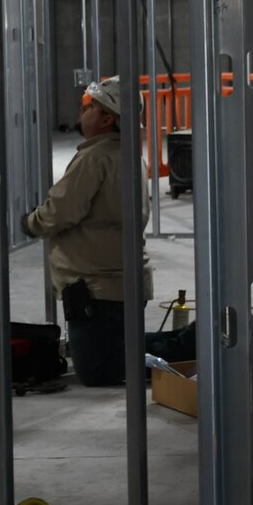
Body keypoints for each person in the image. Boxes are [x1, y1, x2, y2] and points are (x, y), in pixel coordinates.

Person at [22, 77, 151, 387]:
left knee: (97, 372)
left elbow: (61, 211)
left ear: (106, 119)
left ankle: (179, 352)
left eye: (90, 107)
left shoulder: (94, 159)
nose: (82, 113)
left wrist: (31, 222)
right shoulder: (128, 155)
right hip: (117, 282)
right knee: (112, 355)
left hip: (96, 287)